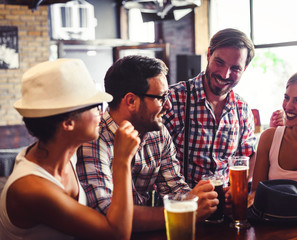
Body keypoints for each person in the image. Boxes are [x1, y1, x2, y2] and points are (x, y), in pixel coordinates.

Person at [0, 59, 140, 240]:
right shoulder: (31, 189)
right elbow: (117, 234)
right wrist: (122, 161)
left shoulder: (64, 150)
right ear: (68, 123)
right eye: (96, 106)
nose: (101, 112)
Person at [76, 55, 218, 232]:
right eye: (161, 98)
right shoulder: (94, 141)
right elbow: (107, 213)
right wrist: (186, 211)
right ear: (131, 101)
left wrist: (199, 198)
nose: (168, 107)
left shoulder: (157, 133)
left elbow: (174, 188)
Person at [162, 28, 257, 188]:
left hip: (225, 208)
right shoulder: (173, 99)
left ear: (244, 69)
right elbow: (154, 161)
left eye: (235, 68)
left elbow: (248, 157)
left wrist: (236, 189)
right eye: (219, 62)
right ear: (208, 55)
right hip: (184, 206)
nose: (225, 74)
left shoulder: (243, 109)